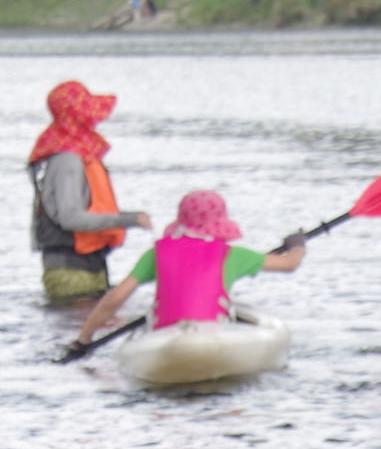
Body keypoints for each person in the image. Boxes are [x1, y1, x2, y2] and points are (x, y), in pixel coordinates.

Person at [73, 190, 306, 346]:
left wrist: (85, 337)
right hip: (212, 336)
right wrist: (297, 245)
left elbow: (115, 298)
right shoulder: (232, 254)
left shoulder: (157, 252)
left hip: (166, 336)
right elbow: (289, 264)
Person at [29, 81, 154, 303]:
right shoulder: (68, 160)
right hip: (70, 271)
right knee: (80, 332)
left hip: (89, 265)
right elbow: (70, 218)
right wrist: (129, 219)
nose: (96, 119)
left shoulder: (75, 154)